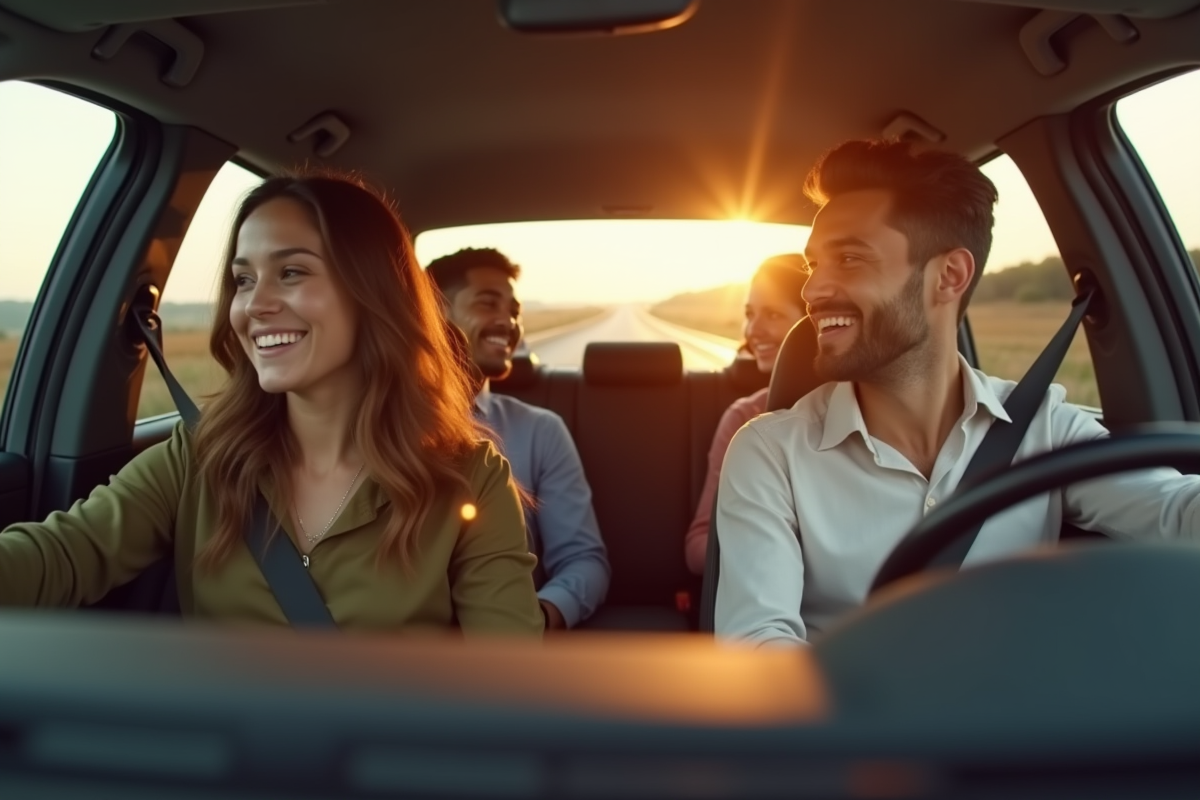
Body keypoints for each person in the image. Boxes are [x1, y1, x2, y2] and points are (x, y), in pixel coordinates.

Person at [0, 175, 543, 635]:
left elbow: (507, 683)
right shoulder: (201, 453)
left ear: (372, 292)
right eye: (243, 279)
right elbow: (62, 556)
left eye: (292, 272)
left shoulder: (470, 478)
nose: (254, 305)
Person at [715, 138, 1200, 647]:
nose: (811, 291)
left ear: (949, 276)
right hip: (849, 723)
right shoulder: (770, 452)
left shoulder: (1046, 425)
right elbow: (757, 646)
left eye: (850, 259)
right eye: (814, 266)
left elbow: (1175, 510)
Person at [426, 248, 610, 630]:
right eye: (488, 303)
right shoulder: (376, 424)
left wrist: (533, 621)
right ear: (431, 311)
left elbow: (584, 561)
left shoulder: (541, 430)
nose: (508, 322)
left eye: (514, 311)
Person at [684, 255, 807, 575]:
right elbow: (699, 547)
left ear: (811, 323)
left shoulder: (870, 416)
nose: (754, 330)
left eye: (774, 314)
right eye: (750, 314)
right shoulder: (745, 419)